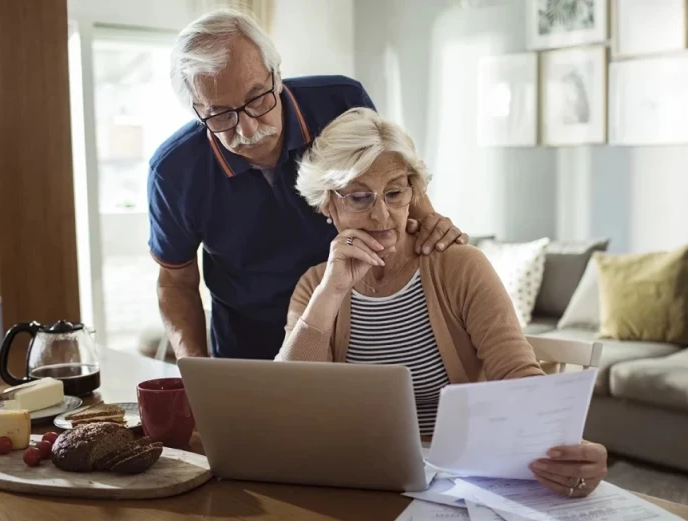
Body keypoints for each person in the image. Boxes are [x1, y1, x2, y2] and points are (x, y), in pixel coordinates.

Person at [277, 108, 608, 498]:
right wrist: (331, 292)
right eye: (360, 197)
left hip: (460, 476)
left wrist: (567, 451)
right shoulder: (316, 285)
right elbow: (289, 403)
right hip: (357, 477)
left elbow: (517, 374)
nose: (381, 214)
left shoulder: (458, 266)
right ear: (328, 205)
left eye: (395, 193)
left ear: (414, 194)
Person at [149, 9, 466, 361]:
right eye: (221, 115)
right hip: (247, 349)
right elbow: (175, 284)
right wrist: (197, 374)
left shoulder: (341, 102)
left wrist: (429, 222)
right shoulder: (173, 171)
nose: (249, 131)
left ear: (277, 75)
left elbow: (395, 181)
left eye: (257, 99)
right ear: (196, 110)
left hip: (355, 329)